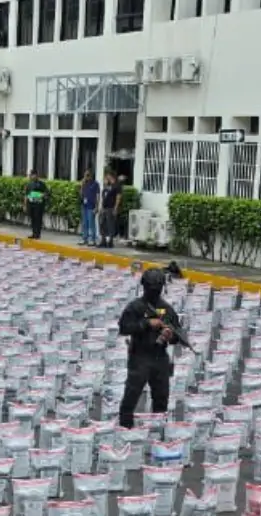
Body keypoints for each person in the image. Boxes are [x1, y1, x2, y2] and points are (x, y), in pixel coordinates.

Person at [116, 268, 180, 429]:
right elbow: (124, 328)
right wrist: (146, 324)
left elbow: (177, 335)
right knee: (131, 397)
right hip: (140, 357)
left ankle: (157, 432)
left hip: (159, 358)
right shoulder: (136, 307)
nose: (154, 291)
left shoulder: (167, 309)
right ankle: (125, 430)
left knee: (161, 398)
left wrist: (169, 335)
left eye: (157, 287)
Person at [99, 171, 123, 247]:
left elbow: (118, 197)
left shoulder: (117, 185)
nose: (106, 178)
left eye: (107, 176)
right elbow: (104, 197)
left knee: (110, 225)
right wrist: (102, 207)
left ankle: (110, 241)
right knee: (102, 224)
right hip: (104, 208)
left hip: (111, 208)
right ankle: (103, 241)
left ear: (111, 176)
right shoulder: (108, 186)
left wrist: (115, 208)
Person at [24, 169, 47, 239]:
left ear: (36, 175)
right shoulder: (29, 185)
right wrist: (25, 205)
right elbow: (26, 195)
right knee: (33, 219)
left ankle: (37, 234)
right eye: (30, 175)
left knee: (38, 219)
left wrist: (41, 195)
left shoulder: (41, 184)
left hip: (39, 205)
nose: (31, 176)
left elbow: (46, 193)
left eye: (33, 175)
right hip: (31, 204)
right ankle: (34, 233)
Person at [78, 170, 99, 245]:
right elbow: (81, 195)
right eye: (85, 175)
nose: (85, 177)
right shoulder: (84, 184)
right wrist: (81, 185)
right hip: (84, 205)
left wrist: (96, 207)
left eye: (87, 175)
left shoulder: (95, 184)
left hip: (91, 206)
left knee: (91, 223)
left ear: (91, 176)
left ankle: (92, 240)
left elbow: (97, 196)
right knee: (84, 223)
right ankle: (85, 238)